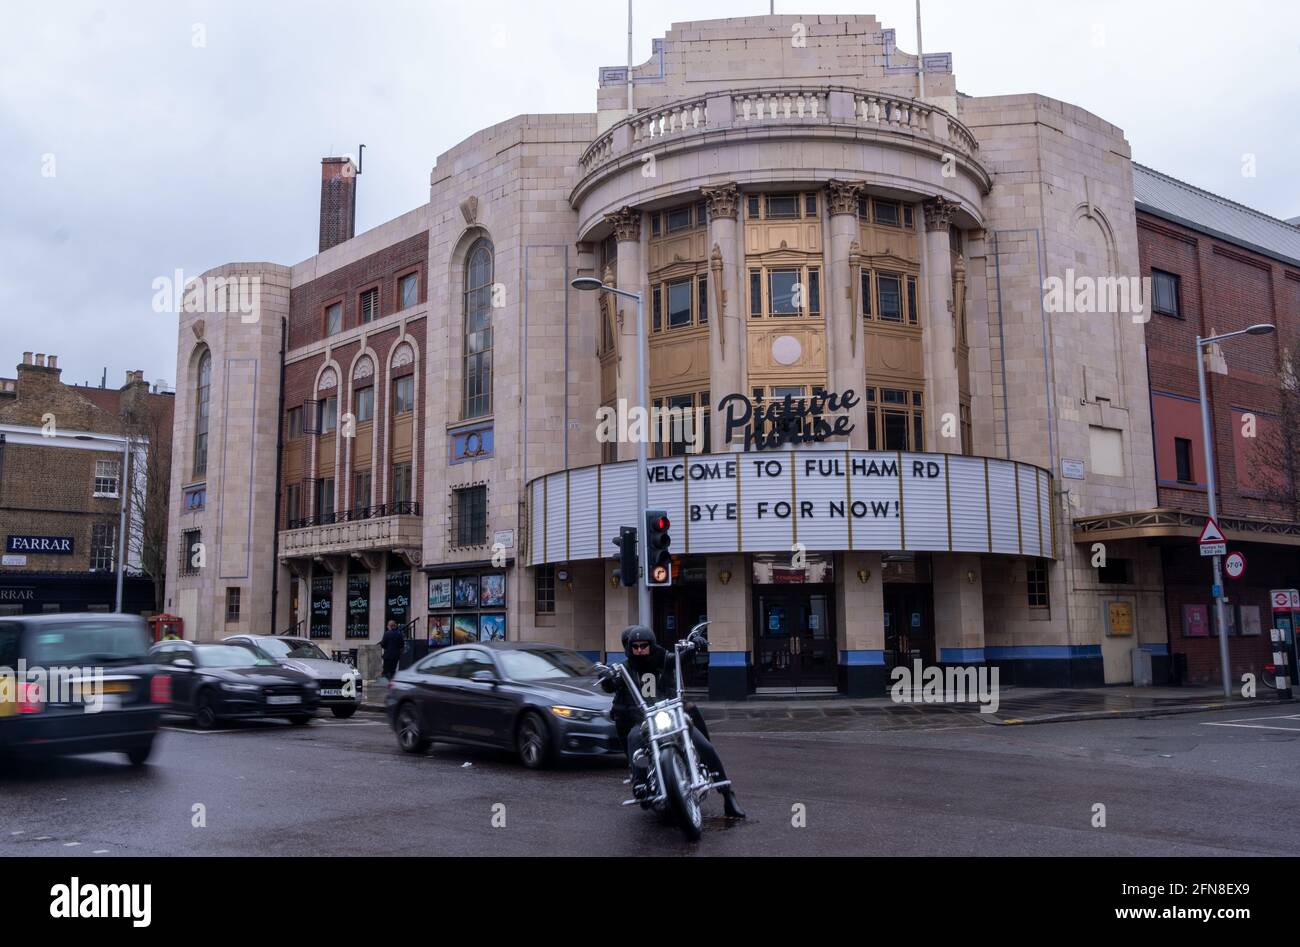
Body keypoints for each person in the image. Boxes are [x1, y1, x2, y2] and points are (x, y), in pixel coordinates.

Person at [599, 625, 745, 819]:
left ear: (651, 645)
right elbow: (610, 685)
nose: (640, 650)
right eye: (635, 647)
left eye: (644, 645)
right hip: (643, 721)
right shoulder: (625, 668)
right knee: (633, 737)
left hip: (672, 716)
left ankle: (727, 794)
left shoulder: (664, 658)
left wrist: (693, 647)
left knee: (704, 746)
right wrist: (606, 678)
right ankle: (640, 783)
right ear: (629, 648)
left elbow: (680, 659)